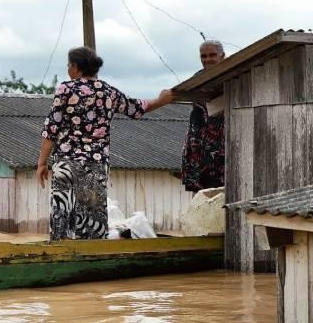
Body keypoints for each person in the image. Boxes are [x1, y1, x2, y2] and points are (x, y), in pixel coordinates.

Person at [37, 46, 174, 241]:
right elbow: (136, 108)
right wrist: (161, 100)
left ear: (76, 67)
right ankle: (93, 255)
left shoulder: (65, 89)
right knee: (92, 219)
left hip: (67, 165)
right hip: (96, 166)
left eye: (69, 65)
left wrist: (42, 163)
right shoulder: (108, 92)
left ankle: (60, 252)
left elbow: (51, 128)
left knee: (62, 215)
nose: (68, 69)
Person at [181, 40, 226, 193]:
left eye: (212, 55)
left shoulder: (231, 76)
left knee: (222, 191)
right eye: (203, 56)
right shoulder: (197, 79)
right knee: (201, 195)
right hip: (198, 144)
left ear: (222, 56)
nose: (207, 60)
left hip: (221, 145)